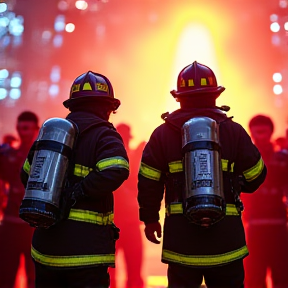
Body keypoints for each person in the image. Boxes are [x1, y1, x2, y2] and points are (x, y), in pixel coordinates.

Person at [137, 61, 267, 288]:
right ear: (215, 94)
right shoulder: (233, 130)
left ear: (178, 97)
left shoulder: (162, 134)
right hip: (226, 241)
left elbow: (149, 181)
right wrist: (235, 184)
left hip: (181, 242)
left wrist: (149, 218)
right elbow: (256, 174)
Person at [20, 71, 129, 288]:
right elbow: (117, 169)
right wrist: (78, 191)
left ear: (72, 105)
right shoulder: (103, 134)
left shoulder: (50, 134)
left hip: (46, 252)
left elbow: (25, 175)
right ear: (107, 107)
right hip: (86, 254)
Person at [242, 114, 288, 288]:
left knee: (283, 277)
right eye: (256, 133)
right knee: (254, 278)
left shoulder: (283, 159)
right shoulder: (245, 160)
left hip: (279, 226)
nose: (260, 137)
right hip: (254, 227)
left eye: (263, 132)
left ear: (270, 132)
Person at [0, 111, 39, 288]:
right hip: (10, 225)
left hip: (33, 227)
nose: (22, 132)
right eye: (20, 128)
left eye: (26, 128)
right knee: (6, 277)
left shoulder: (42, 157)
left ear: (36, 130)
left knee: (35, 278)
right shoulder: (9, 155)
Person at [109, 123, 145, 288]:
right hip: (113, 224)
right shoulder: (109, 162)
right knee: (108, 275)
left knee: (134, 274)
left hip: (128, 225)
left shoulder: (134, 158)